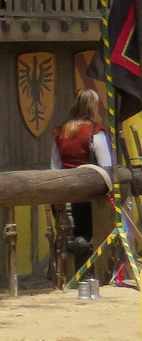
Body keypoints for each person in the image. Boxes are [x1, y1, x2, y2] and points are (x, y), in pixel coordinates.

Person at [52, 88, 114, 253]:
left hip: (66, 195)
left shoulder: (60, 132)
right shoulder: (95, 133)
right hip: (89, 199)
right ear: (93, 107)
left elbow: (54, 167)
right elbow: (106, 166)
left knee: (69, 241)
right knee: (90, 242)